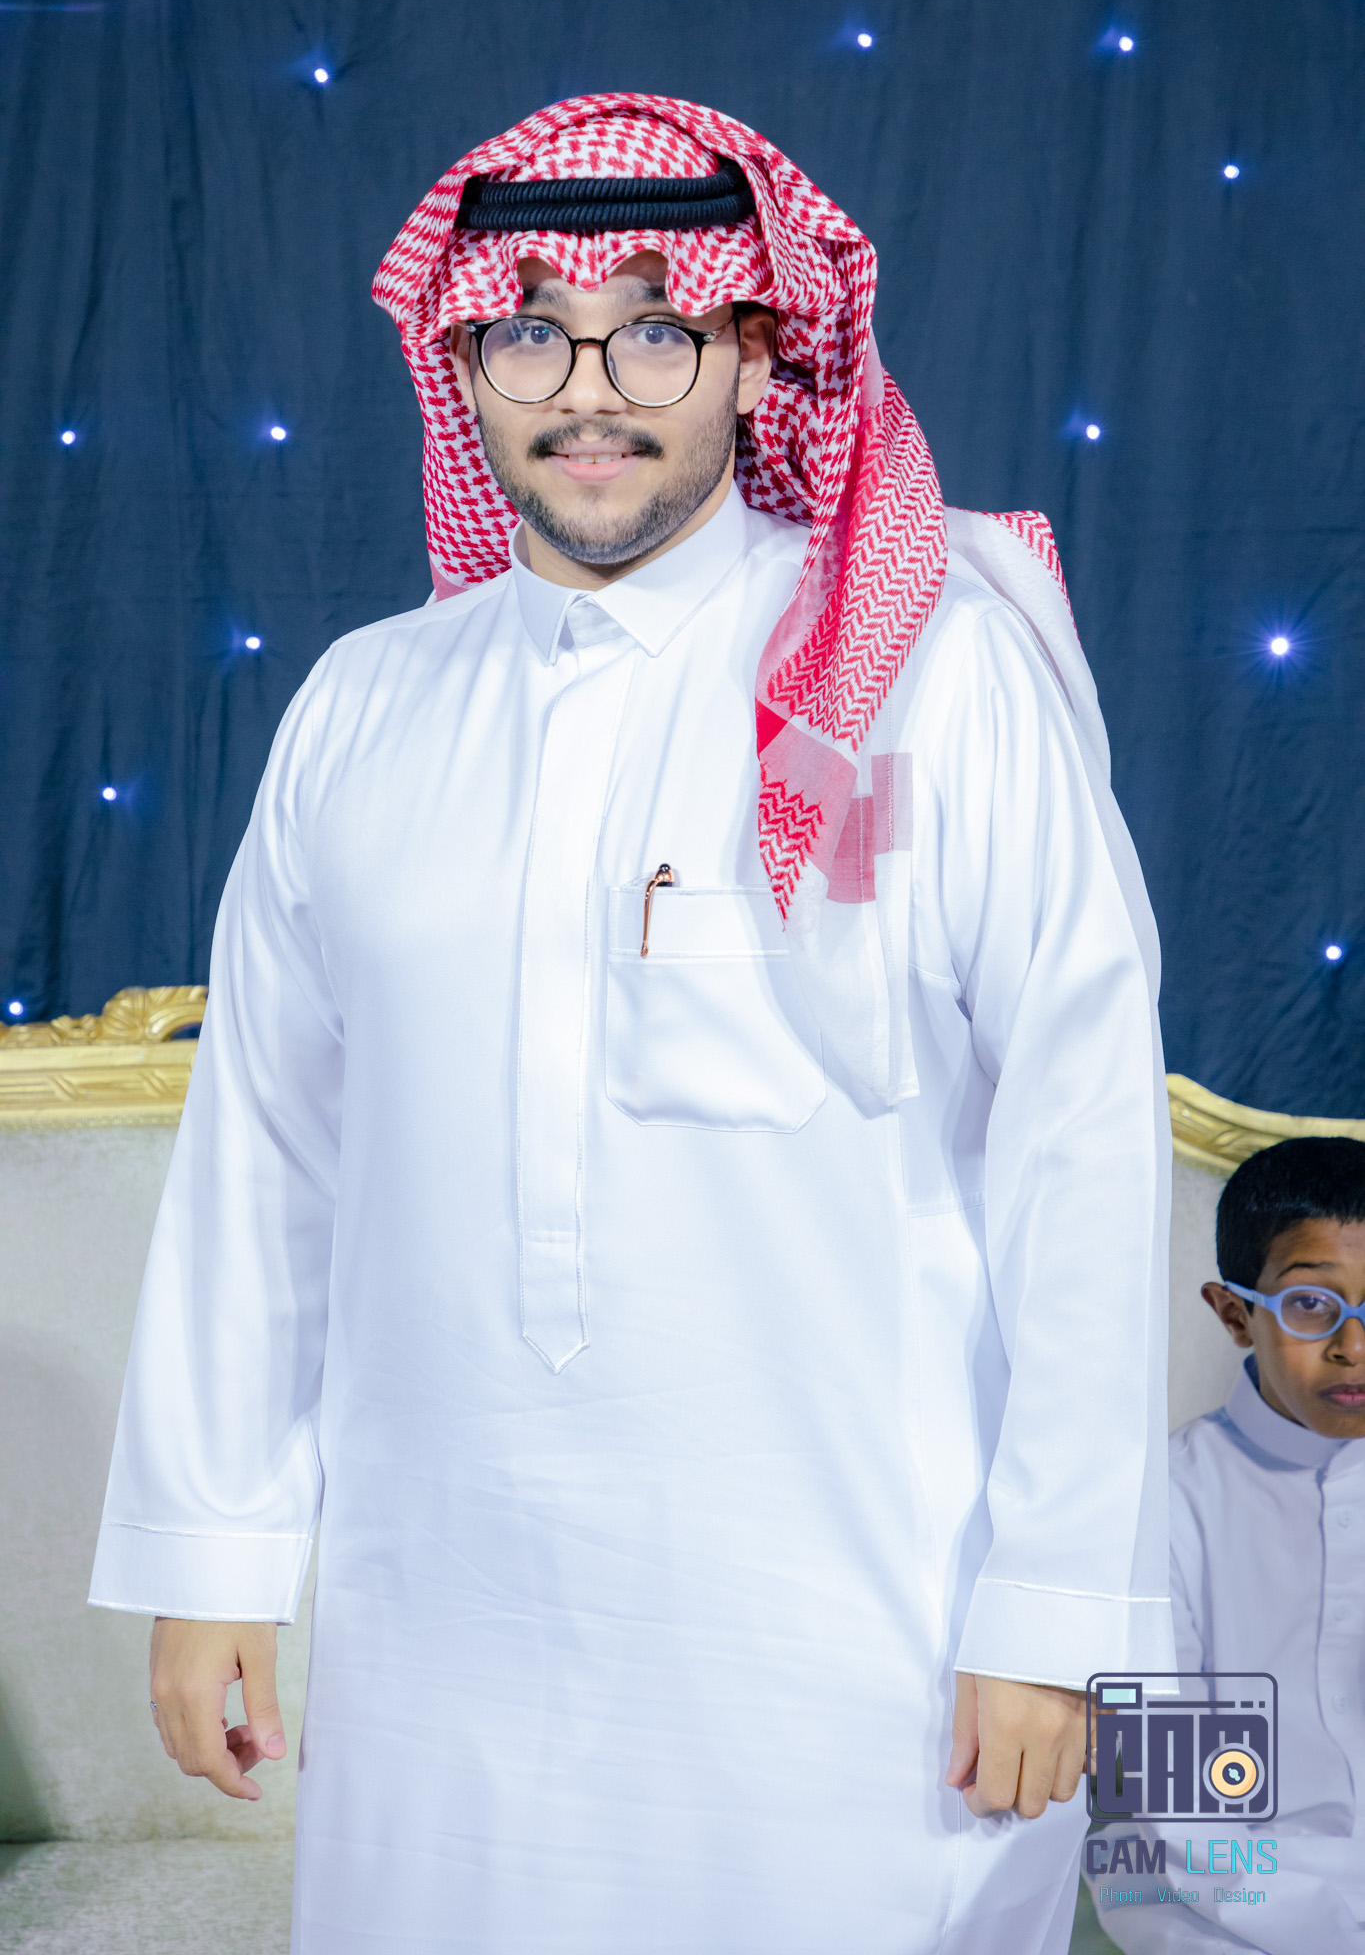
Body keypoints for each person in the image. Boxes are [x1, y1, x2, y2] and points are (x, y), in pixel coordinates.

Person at [90, 94, 1174, 1954]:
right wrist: (213, 1559)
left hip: (860, 1655)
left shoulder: (939, 673)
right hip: (446, 1655)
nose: (589, 393)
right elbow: (264, 1162)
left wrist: (1056, 1607)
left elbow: (1079, 1151)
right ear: (462, 363)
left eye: (654, 331)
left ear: (755, 349)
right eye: (532, 333)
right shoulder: (362, 708)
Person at [1085, 1136, 1365, 1952]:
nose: (1352, 1345)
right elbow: (1165, 1822)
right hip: (1216, 1928)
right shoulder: (1157, 1513)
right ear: (1233, 1314)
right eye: (1310, 1303)